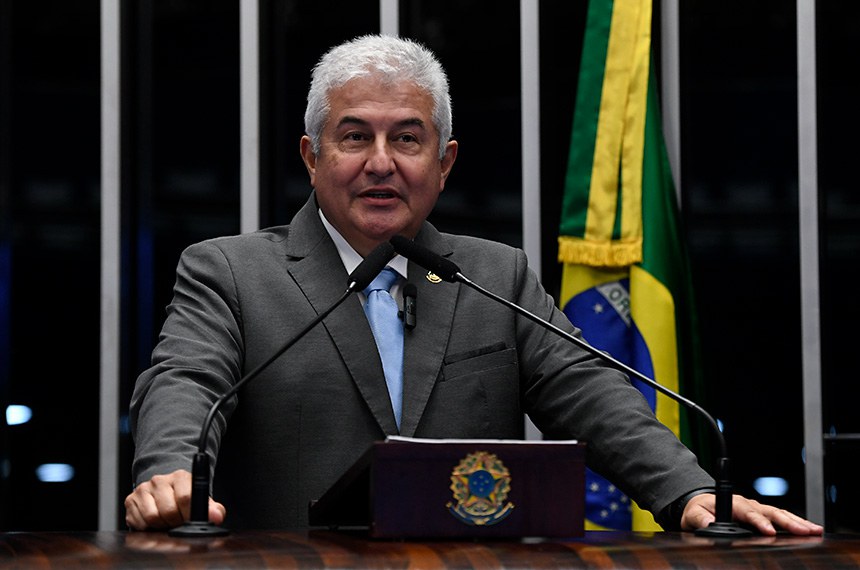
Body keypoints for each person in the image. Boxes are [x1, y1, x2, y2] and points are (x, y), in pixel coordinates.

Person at [124, 34, 822, 536]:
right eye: (354, 136)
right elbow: (186, 381)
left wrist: (691, 492)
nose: (380, 163)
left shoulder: (494, 275)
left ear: (444, 160)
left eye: (406, 138)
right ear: (312, 156)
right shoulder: (231, 271)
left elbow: (595, 396)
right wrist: (171, 475)